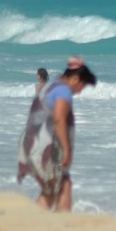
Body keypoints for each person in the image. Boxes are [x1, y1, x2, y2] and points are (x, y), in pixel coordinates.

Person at [16, 61, 97, 212]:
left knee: (54, 188)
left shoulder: (51, 84)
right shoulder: (63, 91)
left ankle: (43, 223)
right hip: (43, 148)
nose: (79, 91)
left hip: (30, 143)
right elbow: (58, 119)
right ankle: (58, 226)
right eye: (82, 86)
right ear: (75, 80)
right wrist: (66, 150)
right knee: (60, 187)